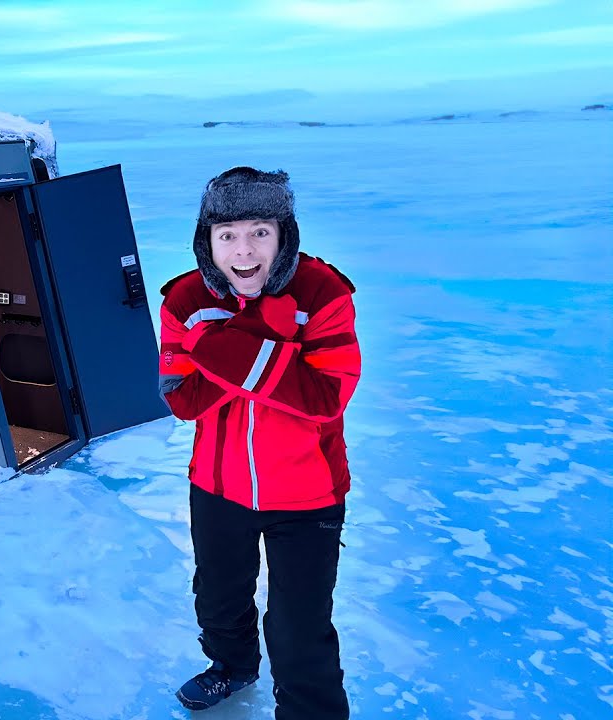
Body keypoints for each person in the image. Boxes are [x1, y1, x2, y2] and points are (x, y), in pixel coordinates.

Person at [157, 166, 361, 719]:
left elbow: (325, 396)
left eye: (259, 232)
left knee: (300, 627)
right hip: (217, 487)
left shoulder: (322, 292)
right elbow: (182, 400)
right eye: (227, 236)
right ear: (208, 241)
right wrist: (273, 346)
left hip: (308, 491)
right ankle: (231, 667)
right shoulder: (183, 299)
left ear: (283, 234)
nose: (243, 251)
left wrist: (223, 347)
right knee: (219, 599)